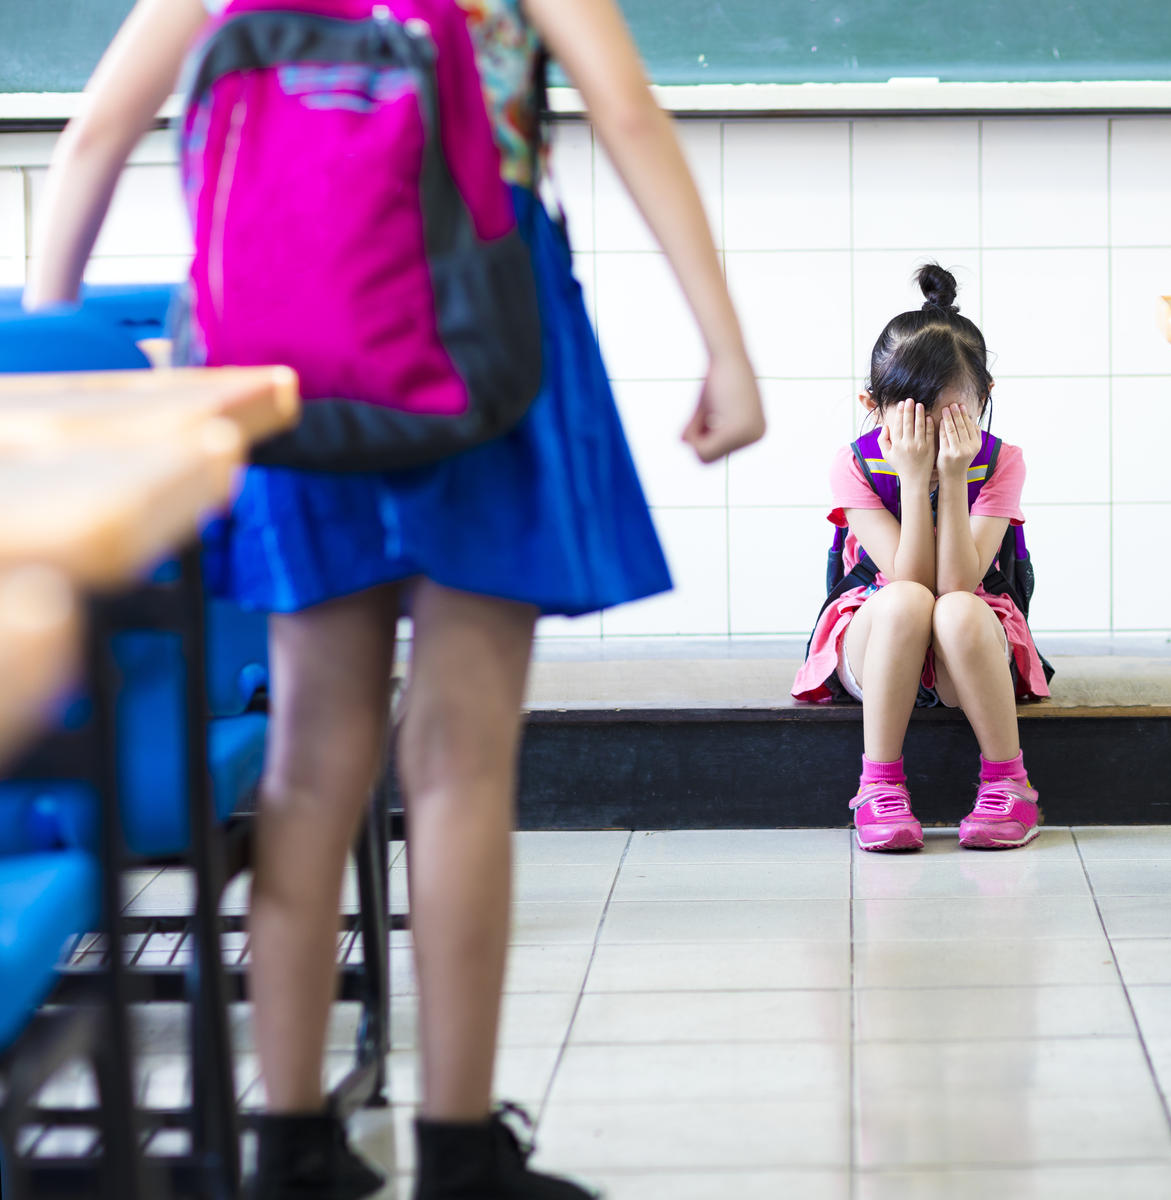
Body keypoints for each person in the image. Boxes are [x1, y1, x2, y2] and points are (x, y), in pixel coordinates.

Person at [27, 0, 763, 1195]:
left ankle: (292, 1146)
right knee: (461, 761)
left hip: (287, 366)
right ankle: (461, 1154)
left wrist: (57, 375)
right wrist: (724, 348)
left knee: (307, 768)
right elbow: (626, 110)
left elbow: (98, 133)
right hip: (486, 348)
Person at [793, 263, 1050, 853]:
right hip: (884, 633)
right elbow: (910, 583)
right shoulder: (854, 464)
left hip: (968, 644)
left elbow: (961, 583)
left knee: (957, 607)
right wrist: (914, 480)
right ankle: (879, 786)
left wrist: (953, 478)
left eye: (951, 420)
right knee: (907, 597)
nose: (930, 441)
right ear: (872, 405)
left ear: (984, 400)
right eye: (912, 421)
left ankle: (1009, 786)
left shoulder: (1000, 461)